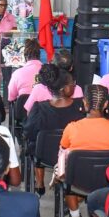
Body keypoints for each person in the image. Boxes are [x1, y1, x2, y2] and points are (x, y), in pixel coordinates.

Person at [57, 84, 109, 217]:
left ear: (85, 103)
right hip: (106, 182)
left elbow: (62, 149)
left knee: (67, 170)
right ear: (105, 104)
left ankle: (75, 216)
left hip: (77, 182)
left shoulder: (72, 128)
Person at [22, 65, 84, 194]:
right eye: (72, 84)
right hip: (73, 157)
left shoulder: (39, 108)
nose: (74, 85)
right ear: (63, 89)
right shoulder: (81, 107)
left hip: (45, 156)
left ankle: (39, 184)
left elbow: (28, 133)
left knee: (35, 144)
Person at [7, 38, 43, 104]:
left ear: (25, 56)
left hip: (23, 113)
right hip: (43, 113)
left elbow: (11, 97)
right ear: (39, 55)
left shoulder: (17, 74)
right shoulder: (48, 71)